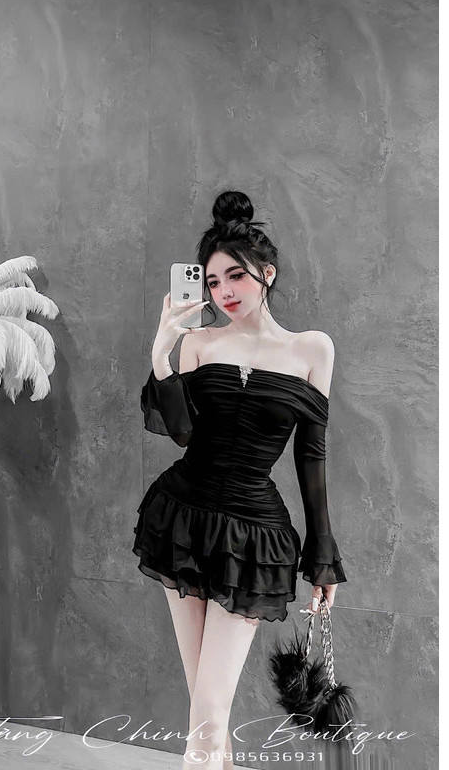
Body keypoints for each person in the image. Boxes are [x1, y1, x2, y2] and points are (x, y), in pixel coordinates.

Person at [132, 190, 348, 770]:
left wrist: (322, 555)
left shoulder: (311, 349)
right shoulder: (199, 343)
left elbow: (311, 455)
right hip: (181, 519)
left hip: (252, 537)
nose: (223, 291)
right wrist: (162, 354)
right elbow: (182, 433)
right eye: (211, 281)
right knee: (206, 706)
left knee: (208, 707)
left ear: (266, 274)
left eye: (235, 276)